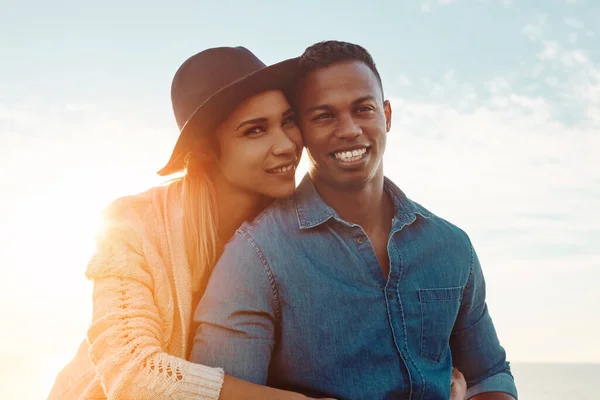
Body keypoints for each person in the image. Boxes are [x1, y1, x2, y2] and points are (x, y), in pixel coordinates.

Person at [191, 41, 518, 400]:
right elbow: (214, 392)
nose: (348, 130)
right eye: (324, 115)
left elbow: (489, 374)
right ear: (300, 128)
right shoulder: (255, 256)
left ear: (387, 116)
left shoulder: (451, 246)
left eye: (363, 109)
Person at [47, 46, 333, 400]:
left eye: (287, 120)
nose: (286, 145)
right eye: (255, 130)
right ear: (204, 152)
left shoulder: (295, 228)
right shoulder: (131, 224)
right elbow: (132, 372)